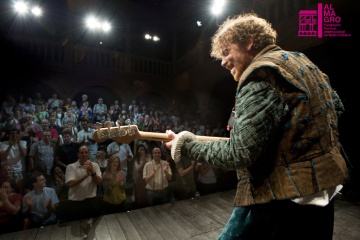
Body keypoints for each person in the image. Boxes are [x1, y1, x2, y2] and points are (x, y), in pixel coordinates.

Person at [164, 13, 347, 240]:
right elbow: (335, 109)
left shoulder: (260, 75)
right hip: (323, 189)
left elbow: (239, 154)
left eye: (226, 51)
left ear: (249, 41)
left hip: (281, 196)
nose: (223, 62)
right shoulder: (305, 64)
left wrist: (186, 146)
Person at [57, 145, 103, 223]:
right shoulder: (71, 167)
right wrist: (86, 175)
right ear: (78, 154)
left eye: (86, 152)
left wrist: (92, 172)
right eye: (81, 153)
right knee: (76, 226)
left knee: (93, 226)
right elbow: (70, 184)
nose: (84, 154)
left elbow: (98, 181)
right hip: (76, 203)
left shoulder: (95, 165)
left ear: (89, 154)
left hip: (91, 201)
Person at [133, 143, 151, 208]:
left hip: (147, 177)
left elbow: (150, 165)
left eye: (143, 149)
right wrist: (143, 161)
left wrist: (144, 158)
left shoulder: (148, 156)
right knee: (139, 193)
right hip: (139, 178)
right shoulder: (136, 159)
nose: (141, 151)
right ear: (138, 151)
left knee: (146, 193)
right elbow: (138, 168)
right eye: (140, 150)